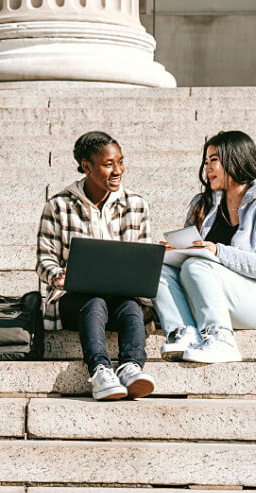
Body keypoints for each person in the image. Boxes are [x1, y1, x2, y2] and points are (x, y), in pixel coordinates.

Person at [36, 131, 156, 400]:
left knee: (131, 306)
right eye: (109, 164)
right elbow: (44, 260)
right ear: (87, 167)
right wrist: (59, 276)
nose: (118, 170)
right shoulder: (58, 206)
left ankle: (131, 368)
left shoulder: (136, 205)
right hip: (74, 302)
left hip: (122, 298)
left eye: (121, 162)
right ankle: (100, 370)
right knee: (94, 301)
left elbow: (143, 257)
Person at [154, 130, 256, 363]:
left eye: (214, 161)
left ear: (236, 159)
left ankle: (222, 341)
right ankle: (184, 333)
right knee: (157, 267)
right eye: (205, 162)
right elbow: (191, 255)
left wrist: (217, 251)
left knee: (197, 266)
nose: (207, 168)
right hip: (205, 294)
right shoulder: (202, 203)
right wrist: (174, 251)